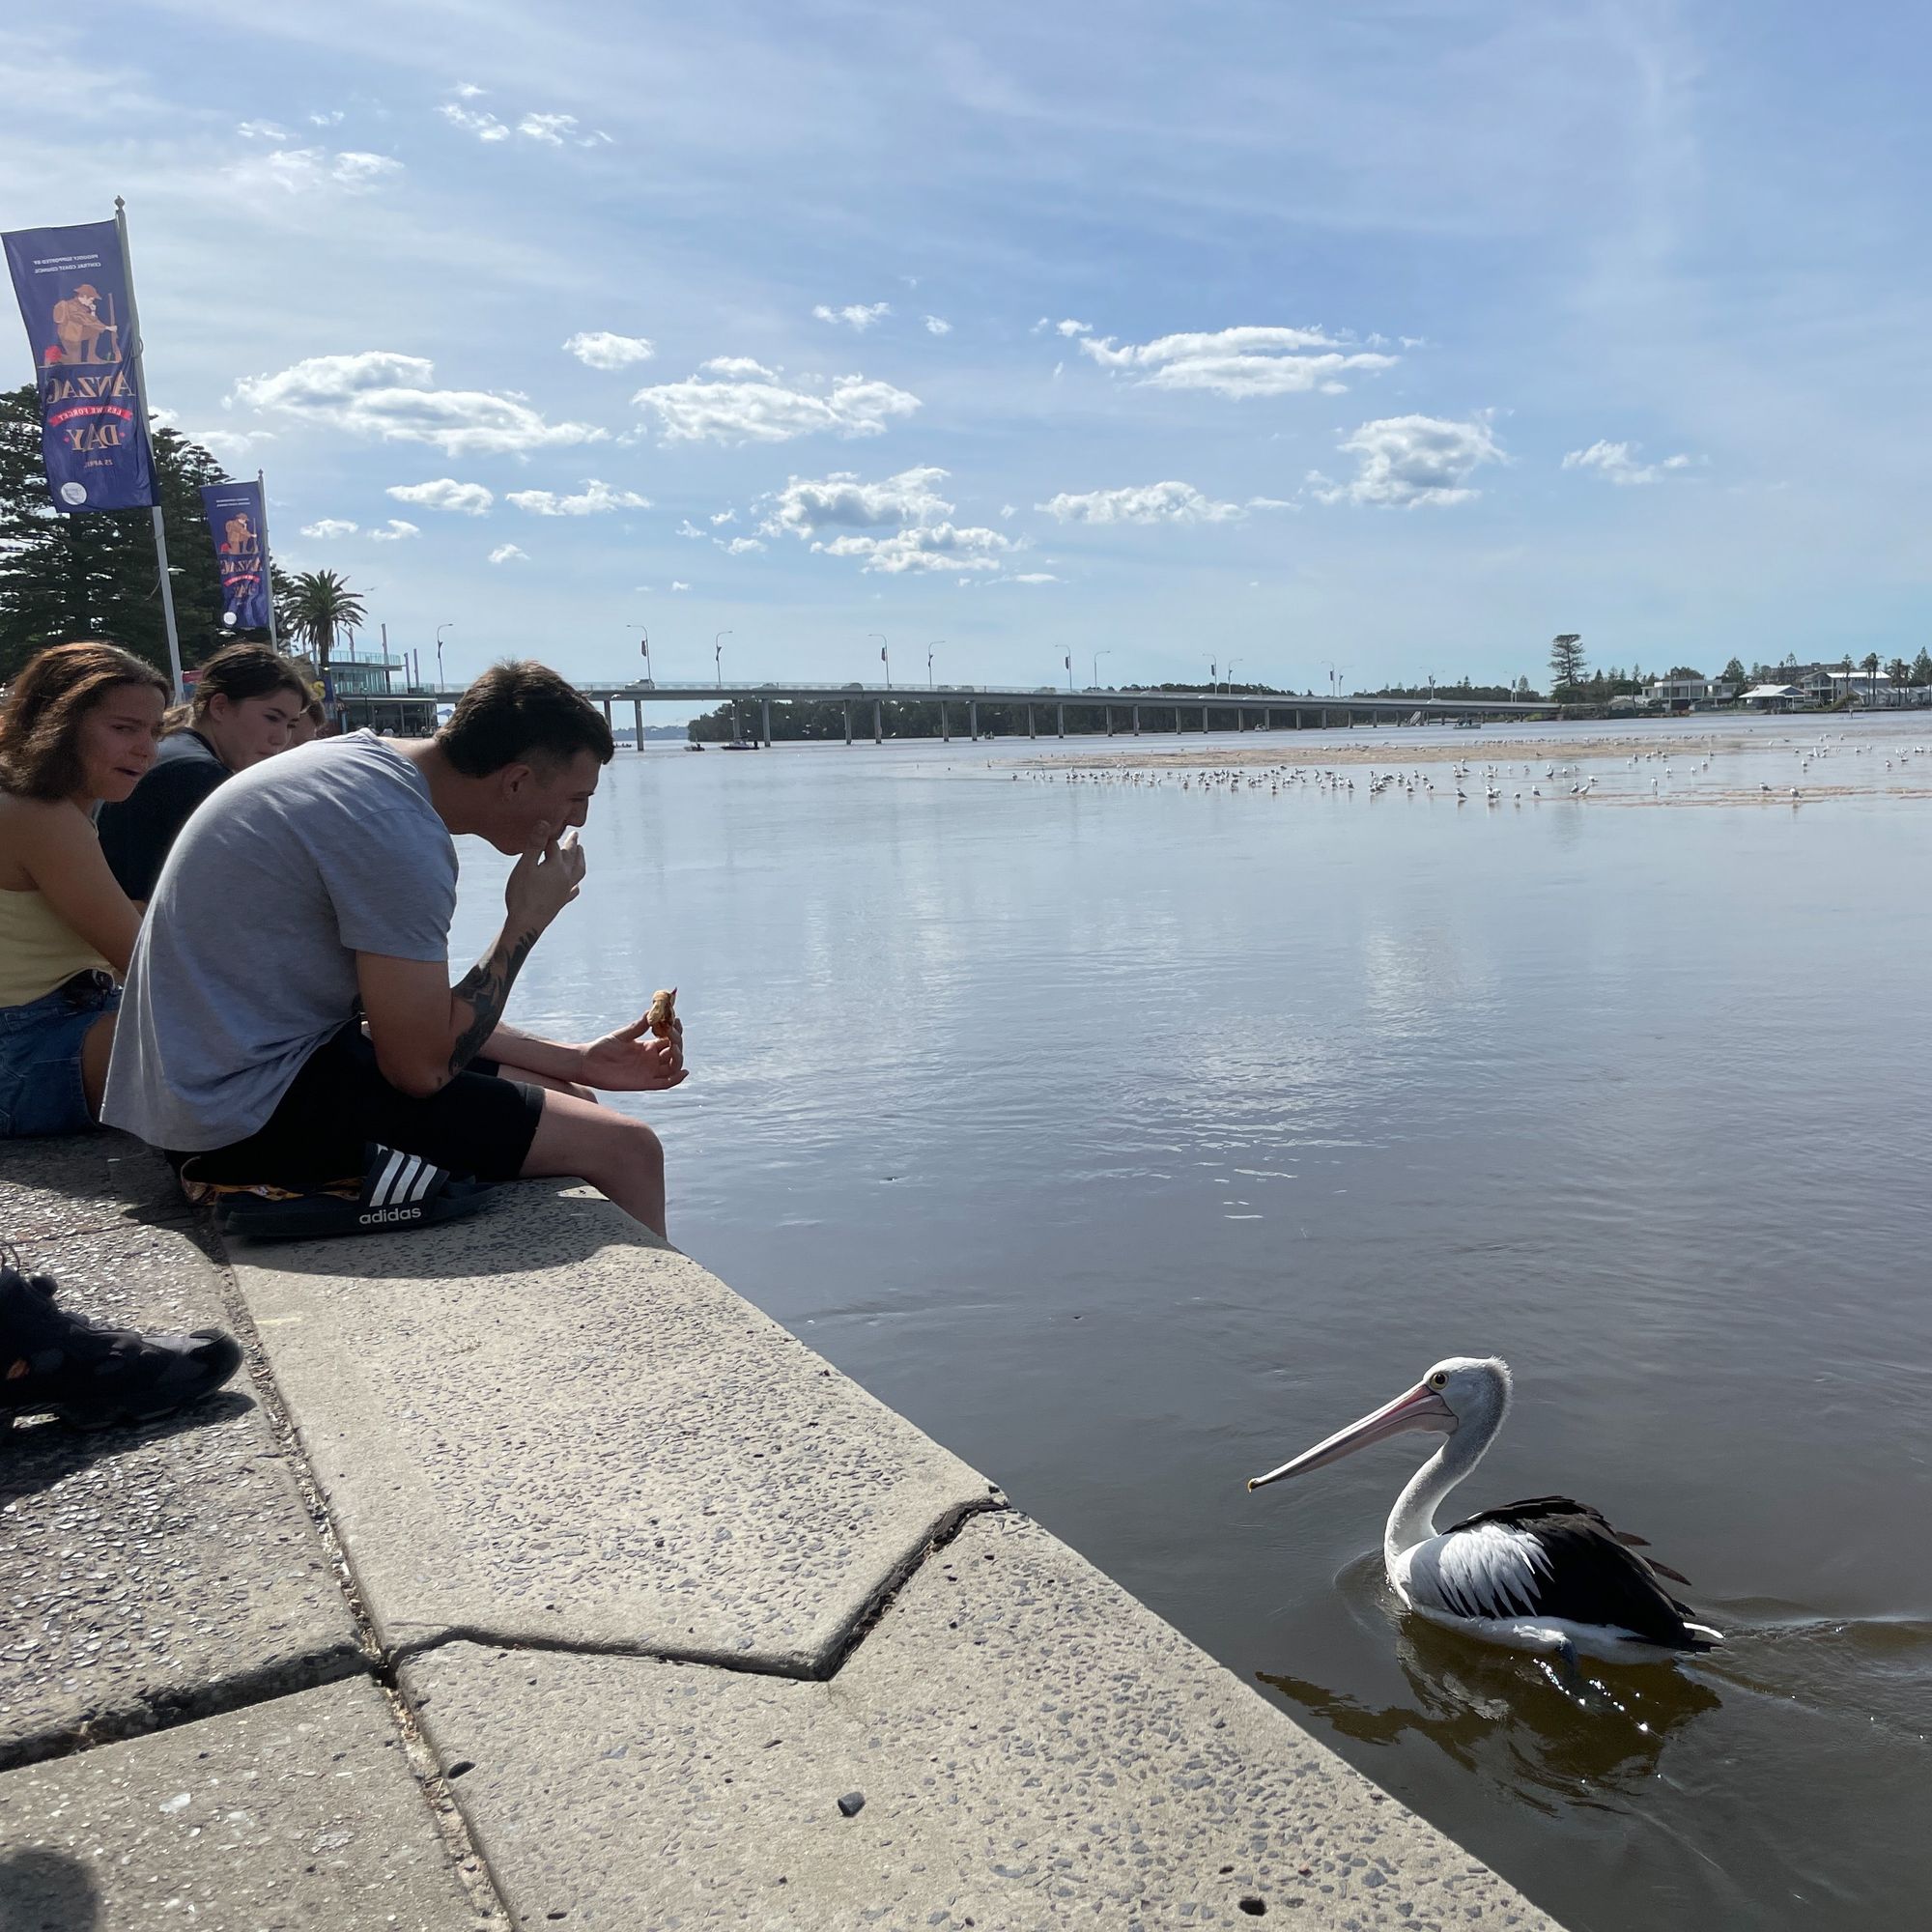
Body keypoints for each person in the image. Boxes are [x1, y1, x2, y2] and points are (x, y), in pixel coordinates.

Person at [103, 660, 686, 1236]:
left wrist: (576, 1059)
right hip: (238, 1118)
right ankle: (666, 1327)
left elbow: (406, 1016)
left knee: (571, 1094)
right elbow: (421, 1068)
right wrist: (524, 923)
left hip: (207, 1084)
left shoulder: (357, 766)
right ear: (515, 781)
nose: (580, 818)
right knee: (627, 1149)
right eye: (577, 797)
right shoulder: (395, 833)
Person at [0, 641, 168, 1137]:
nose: (147, 748)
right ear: (58, 723)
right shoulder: (39, 814)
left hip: (62, 1021)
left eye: (155, 731)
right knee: (233, 1043)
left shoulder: (42, 804)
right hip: (24, 1045)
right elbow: (142, 959)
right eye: (124, 728)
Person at [98, 644, 309, 903]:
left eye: (290, 725)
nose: (280, 738)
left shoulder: (173, 751)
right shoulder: (197, 774)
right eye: (271, 718)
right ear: (219, 707)